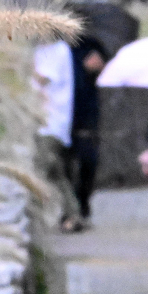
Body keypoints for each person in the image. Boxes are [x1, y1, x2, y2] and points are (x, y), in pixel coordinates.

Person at [32, 38, 80, 230]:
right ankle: (73, 213)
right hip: (38, 120)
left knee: (41, 168)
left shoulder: (59, 50)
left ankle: (37, 217)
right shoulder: (38, 49)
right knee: (55, 171)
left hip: (52, 122)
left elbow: (44, 78)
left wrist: (19, 63)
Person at [64, 35, 108, 231]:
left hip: (85, 113)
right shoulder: (52, 48)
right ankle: (69, 211)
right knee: (62, 166)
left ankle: (82, 204)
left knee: (88, 161)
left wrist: (100, 65)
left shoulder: (89, 44)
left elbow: (107, 66)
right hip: (59, 114)